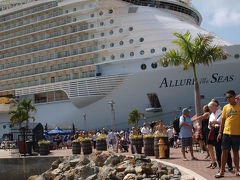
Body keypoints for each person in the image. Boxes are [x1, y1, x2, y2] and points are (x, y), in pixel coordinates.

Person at [215, 90, 240, 178]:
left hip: (236, 134)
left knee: (235, 152)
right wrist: (220, 133)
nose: (228, 99)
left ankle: (237, 170)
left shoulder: (239, 107)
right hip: (226, 133)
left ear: (234, 97)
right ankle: (222, 171)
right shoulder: (225, 107)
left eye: (229, 97)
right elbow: (223, 121)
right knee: (224, 152)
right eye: (227, 98)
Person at [207, 100, 232, 170]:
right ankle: (220, 166)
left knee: (225, 148)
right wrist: (210, 125)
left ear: (215, 107)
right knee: (217, 149)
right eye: (209, 108)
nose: (210, 109)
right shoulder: (211, 115)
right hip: (214, 131)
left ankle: (229, 165)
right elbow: (209, 126)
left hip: (222, 130)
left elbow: (226, 123)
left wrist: (217, 122)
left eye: (211, 107)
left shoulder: (221, 112)